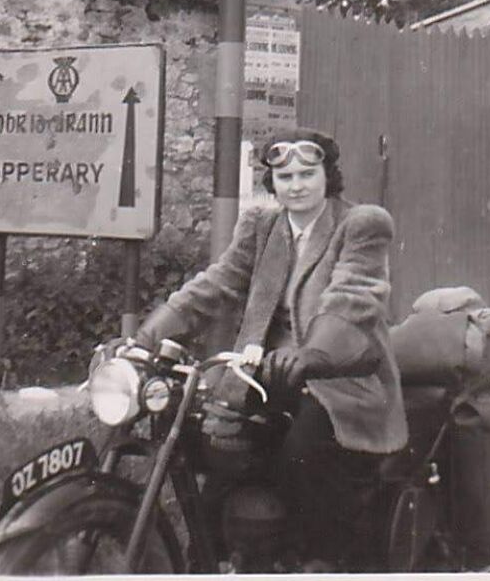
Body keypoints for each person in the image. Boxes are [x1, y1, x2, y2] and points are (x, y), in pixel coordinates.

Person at [134, 127, 408, 567]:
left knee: (300, 453)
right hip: (263, 374)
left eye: (307, 174)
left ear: (328, 176)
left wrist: (312, 355)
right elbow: (217, 283)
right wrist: (144, 341)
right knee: (218, 454)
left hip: (342, 376)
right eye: (285, 177)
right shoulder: (263, 225)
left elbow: (352, 296)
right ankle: (210, 558)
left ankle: (324, 559)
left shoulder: (360, 224)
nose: (296, 185)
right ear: (272, 183)